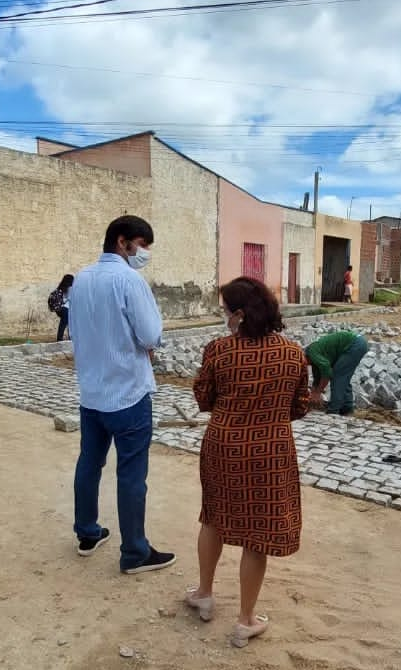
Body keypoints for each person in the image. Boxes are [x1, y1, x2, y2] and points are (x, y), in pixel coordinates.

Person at [186, 277, 309, 647]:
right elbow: (300, 406)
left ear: (239, 314)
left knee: (214, 516)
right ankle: (245, 620)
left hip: (223, 446)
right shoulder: (292, 354)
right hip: (271, 450)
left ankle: (205, 595)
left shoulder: (218, 351)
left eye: (225, 311)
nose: (223, 317)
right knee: (257, 532)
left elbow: (203, 398)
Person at [69, 215, 175, 574]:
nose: (144, 253)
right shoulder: (130, 281)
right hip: (128, 393)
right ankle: (135, 552)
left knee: (89, 463)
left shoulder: (80, 280)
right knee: (131, 474)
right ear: (122, 242)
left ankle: (87, 532)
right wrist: (149, 344)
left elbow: (78, 330)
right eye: (142, 245)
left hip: (92, 393)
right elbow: (150, 335)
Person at [304, 329, 368, 415]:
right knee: (343, 378)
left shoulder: (312, 353)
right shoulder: (313, 357)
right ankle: (347, 408)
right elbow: (317, 376)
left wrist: (318, 392)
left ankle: (333, 411)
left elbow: (327, 372)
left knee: (337, 377)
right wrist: (314, 391)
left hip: (354, 345)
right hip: (357, 342)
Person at [48, 273, 74, 342]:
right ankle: (61, 339)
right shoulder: (71, 288)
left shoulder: (61, 287)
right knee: (67, 323)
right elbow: (71, 299)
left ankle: (63, 338)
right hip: (66, 309)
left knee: (66, 323)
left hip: (59, 309)